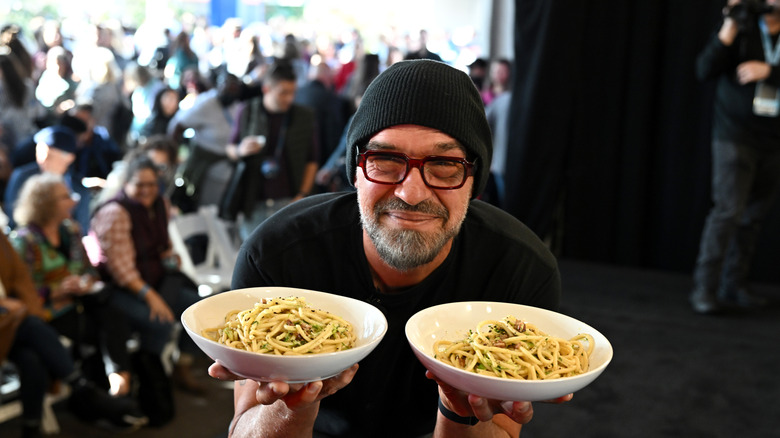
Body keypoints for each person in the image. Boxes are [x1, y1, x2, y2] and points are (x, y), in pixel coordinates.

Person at [208, 59, 563, 437]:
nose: (411, 193)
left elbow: (502, 431)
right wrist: (294, 406)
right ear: (356, 171)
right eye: (385, 160)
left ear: (473, 180)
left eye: (444, 165)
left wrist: (460, 409)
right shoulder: (276, 255)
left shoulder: (520, 269)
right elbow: (243, 429)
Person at [9, 174, 139, 400]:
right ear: (45, 204)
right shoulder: (24, 242)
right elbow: (21, 290)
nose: (74, 201)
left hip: (80, 302)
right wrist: (55, 291)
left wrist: (85, 282)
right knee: (107, 324)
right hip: (49, 312)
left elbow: (88, 270)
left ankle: (117, 380)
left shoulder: (69, 230)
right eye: (66, 197)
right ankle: (113, 386)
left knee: (113, 316)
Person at [691, 0, 780, 314]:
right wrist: (730, 23)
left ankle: (734, 284)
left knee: (753, 217)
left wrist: (771, 70)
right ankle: (705, 287)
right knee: (728, 211)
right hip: (734, 135)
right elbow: (704, 69)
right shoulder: (741, 27)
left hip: (773, 140)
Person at [90, 155, 204, 393]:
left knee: (199, 309)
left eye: (151, 184)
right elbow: (122, 272)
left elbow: (162, 244)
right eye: (139, 184)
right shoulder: (115, 212)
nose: (146, 190)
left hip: (155, 280)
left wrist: (169, 257)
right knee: (160, 321)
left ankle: (181, 366)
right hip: (120, 290)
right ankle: (150, 375)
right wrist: (152, 297)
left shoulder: (160, 204)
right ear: (126, 184)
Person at [219, 60, 318, 228]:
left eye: (293, 92)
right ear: (266, 89)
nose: (289, 98)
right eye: (283, 93)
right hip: (253, 199)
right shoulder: (248, 110)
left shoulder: (304, 116)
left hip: (290, 200)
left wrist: (302, 194)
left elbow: (312, 159)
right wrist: (241, 150)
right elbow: (230, 149)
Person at [3, 126, 91, 234]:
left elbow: (82, 229)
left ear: (69, 158)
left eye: (50, 154)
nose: (43, 159)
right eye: (40, 151)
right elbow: (13, 219)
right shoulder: (22, 177)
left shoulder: (78, 187)